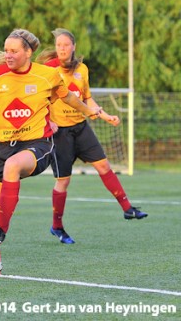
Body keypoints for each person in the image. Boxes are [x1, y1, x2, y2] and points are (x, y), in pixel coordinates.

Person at [0, 28, 105, 275]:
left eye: (14, 51)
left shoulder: (47, 75)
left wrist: (90, 112)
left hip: (37, 145)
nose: (8, 55)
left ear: (28, 52)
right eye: (6, 50)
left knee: (13, 166)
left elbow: (68, 98)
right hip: (2, 149)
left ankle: (1, 230)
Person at [37, 28, 147, 244]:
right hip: (60, 134)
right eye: (58, 45)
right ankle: (57, 226)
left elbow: (86, 99)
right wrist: (47, 120)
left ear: (73, 47)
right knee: (63, 182)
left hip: (81, 127)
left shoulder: (82, 70)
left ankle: (127, 208)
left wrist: (106, 116)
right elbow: (38, 99)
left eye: (65, 45)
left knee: (104, 166)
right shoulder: (48, 70)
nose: (61, 49)